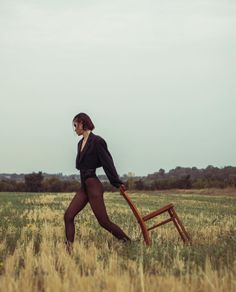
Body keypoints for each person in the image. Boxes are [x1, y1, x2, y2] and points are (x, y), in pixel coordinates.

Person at [64, 112, 131, 253]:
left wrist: (117, 183)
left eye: (75, 125)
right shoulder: (79, 143)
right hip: (84, 187)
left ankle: (129, 243)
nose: (74, 128)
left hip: (93, 186)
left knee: (104, 222)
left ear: (82, 123)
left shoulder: (97, 141)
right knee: (68, 216)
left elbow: (108, 163)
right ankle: (68, 251)